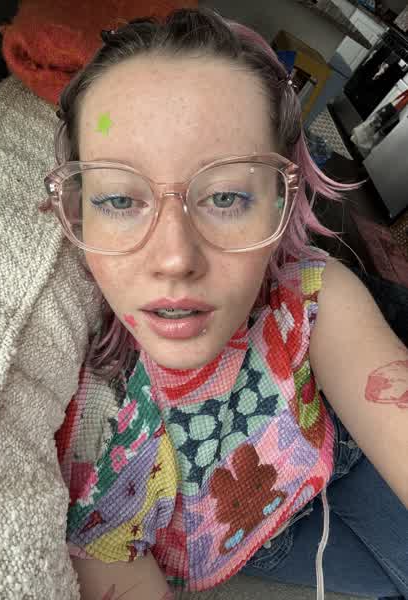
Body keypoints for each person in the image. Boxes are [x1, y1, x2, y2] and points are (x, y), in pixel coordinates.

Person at [41, 7, 408, 600]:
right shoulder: (99, 441)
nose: (175, 258)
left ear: (280, 204)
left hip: (335, 455)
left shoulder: (310, 298)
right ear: (80, 209)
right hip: (257, 543)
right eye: (119, 200)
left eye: (227, 196)